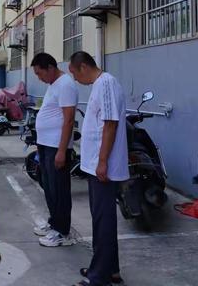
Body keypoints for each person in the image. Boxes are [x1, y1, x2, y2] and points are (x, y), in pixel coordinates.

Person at [68, 51, 128, 286]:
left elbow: (110, 124)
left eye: (74, 73)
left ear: (83, 67)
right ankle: (109, 269)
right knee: (101, 219)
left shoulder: (106, 83)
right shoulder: (100, 85)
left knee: (103, 222)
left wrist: (102, 161)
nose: (75, 79)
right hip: (96, 166)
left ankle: (99, 277)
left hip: (103, 167)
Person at [31, 52, 78, 247]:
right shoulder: (54, 85)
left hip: (56, 147)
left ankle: (63, 232)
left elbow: (68, 119)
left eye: (40, 73)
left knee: (59, 189)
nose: (39, 78)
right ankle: (54, 223)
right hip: (46, 144)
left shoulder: (66, 84)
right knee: (49, 186)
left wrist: (61, 150)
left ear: (50, 67)